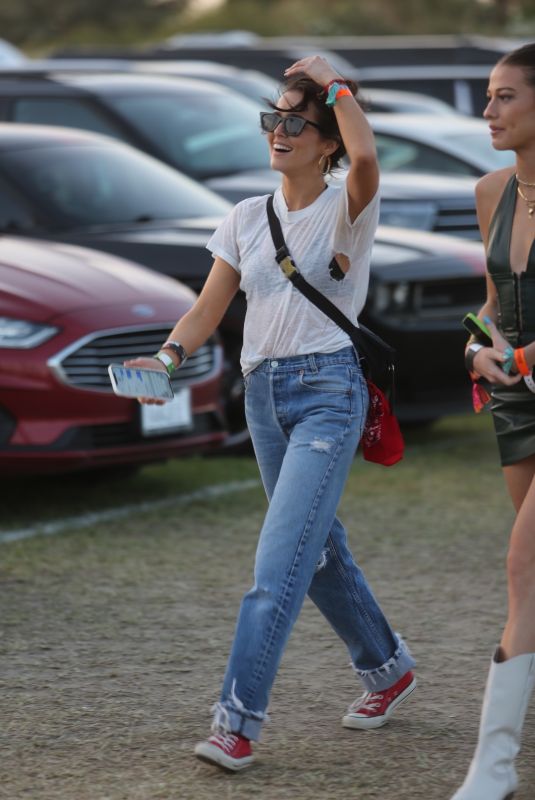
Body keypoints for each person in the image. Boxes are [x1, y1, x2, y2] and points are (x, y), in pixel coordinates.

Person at [127, 55, 416, 772]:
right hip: (262, 397)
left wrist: (340, 83)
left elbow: (369, 154)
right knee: (315, 555)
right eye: (272, 119)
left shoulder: (347, 204)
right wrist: (164, 361)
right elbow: (206, 309)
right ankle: (386, 668)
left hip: (328, 393)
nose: (278, 132)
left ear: (326, 142)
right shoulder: (245, 217)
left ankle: (236, 721)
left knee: (277, 561)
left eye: (296, 121)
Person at [451, 42, 535, 800]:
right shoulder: (490, 190)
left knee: (523, 567)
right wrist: (477, 348)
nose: (487, 111)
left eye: (505, 96)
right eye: (488, 95)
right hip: (515, 402)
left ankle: (493, 768)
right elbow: (491, 306)